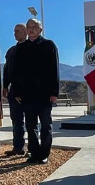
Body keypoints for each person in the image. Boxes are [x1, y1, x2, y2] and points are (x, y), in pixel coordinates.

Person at [11, 18, 60, 164]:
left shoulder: (49, 45)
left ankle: (44, 154)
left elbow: (54, 69)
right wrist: (17, 92)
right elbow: (16, 72)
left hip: (44, 94)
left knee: (45, 125)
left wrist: (54, 92)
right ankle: (34, 153)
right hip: (27, 95)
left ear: (40, 29)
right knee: (30, 126)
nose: (31, 29)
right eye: (29, 27)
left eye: (34, 27)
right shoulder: (21, 48)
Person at [2, 23, 28, 155]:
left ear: (26, 32)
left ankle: (34, 149)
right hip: (13, 92)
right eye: (14, 31)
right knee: (16, 120)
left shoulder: (31, 49)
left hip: (29, 92)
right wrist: (5, 86)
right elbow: (7, 70)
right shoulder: (11, 51)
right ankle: (18, 147)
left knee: (31, 121)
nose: (15, 33)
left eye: (18, 31)